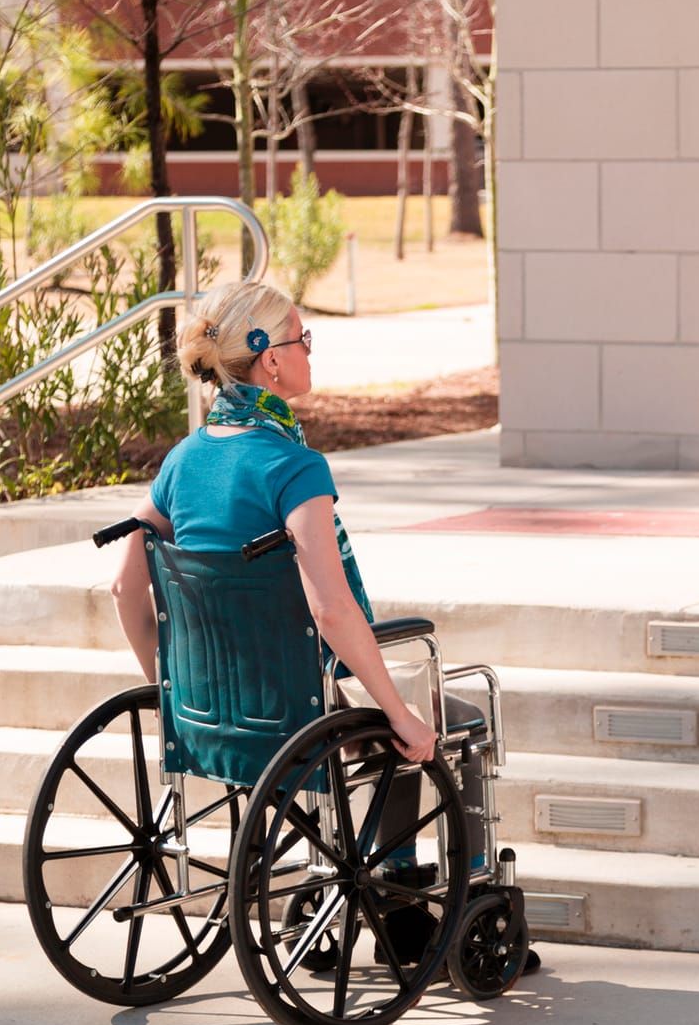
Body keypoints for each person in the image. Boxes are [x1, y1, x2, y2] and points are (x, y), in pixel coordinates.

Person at [109, 279, 485, 874]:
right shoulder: (293, 467)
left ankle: (361, 875)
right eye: (302, 339)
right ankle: (407, 883)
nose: (309, 350)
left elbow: (126, 585)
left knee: (394, 713)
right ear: (272, 359)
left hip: (213, 705)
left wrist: (171, 689)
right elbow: (331, 609)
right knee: (449, 720)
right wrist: (398, 712)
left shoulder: (182, 461)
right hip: (297, 708)